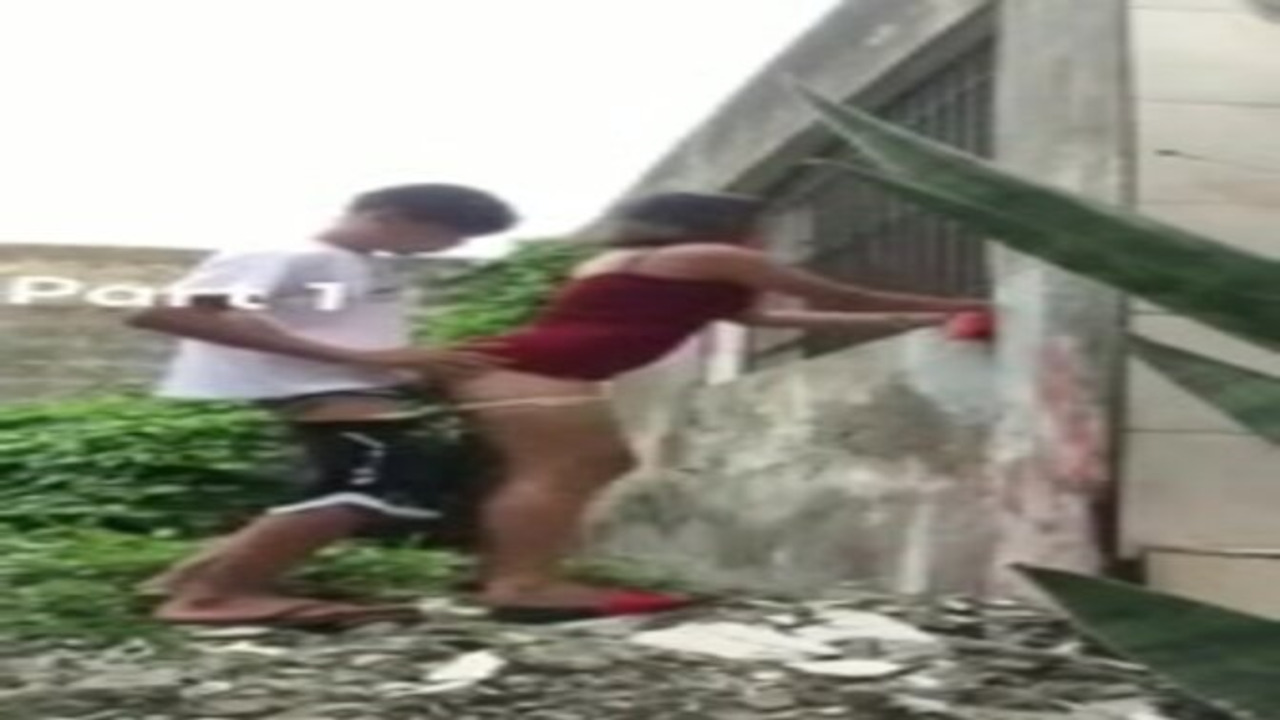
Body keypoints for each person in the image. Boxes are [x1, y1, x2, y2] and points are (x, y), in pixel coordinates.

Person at [440, 191, 992, 623]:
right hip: (528, 367)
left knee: (585, 464)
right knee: (558, 469)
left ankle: (512, 576)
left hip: (518, 366)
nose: (765, 238)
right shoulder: (713, 256)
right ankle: (522, 586)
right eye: (759, 227)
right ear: (723, 226)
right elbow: (841, 296)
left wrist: (916, 320)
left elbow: (767, 319)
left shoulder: (640, 263)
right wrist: (968, 304)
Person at [126, 183, 516, 627]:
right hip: (306, 386)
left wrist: (411, 370)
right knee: (366, 483)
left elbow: (344, 333)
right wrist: (367, 360)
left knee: (359, 481)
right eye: (449, 234)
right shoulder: (285, 253)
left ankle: (183, 582)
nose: (452, 246)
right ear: (390, 217)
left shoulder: (363, 265)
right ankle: (213, 597)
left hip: (343, 385)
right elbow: (166, 313)